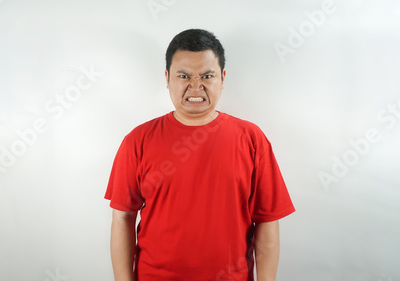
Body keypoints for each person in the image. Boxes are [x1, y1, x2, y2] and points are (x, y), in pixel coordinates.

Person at [105, 29, 295, 281]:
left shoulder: (251, 139)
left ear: (223, 78)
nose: (196, 87)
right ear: (167, 78)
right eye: (184, 76)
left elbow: (267, 221)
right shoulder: (137, 141)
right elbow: (122, 218)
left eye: (207, 76)